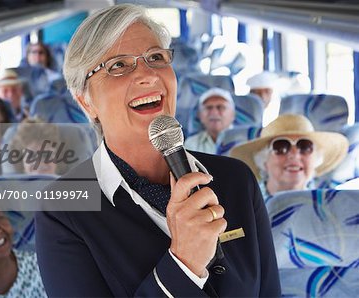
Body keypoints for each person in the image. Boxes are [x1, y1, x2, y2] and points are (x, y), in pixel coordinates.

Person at [36, 4, 280, 297]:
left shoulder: (237, 180)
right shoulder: (63, 210)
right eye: (118, 65)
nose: (148, 75)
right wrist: (183, 263)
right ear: (87, 102)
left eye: (156, 57)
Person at [230, 114, 348, 198]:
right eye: (281, 147)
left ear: (316, 159)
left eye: (305, 147)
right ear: (264, 161)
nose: (294, 155)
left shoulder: (327, 207)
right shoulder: (244, 203)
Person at [185, 87, 235, 154]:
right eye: (208, 108)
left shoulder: (245, 139)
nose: (214, 112)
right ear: (200, 115)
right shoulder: (191, 143)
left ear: (232, 114)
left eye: (220, 107)